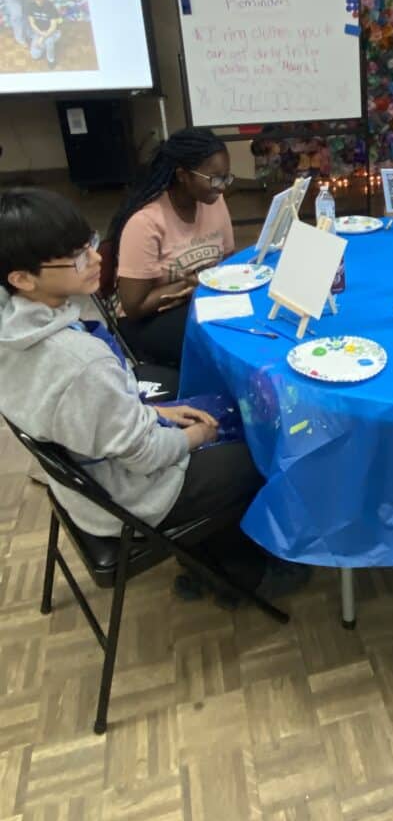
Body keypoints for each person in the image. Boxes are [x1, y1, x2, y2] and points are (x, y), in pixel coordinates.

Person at [0, 188, 307, 599]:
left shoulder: (13, 326)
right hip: (129, 496)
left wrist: (158, 413)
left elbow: (99, 415)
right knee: (262, 446)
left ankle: (214, 551)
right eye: (77, 257)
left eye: (89, 244)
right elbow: (145, 456)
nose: (96, 259)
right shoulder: (80, 364)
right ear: (21, 278)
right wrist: (198, 435)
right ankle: (238, 573)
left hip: (89, 477)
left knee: (206, 403)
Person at [108, 128, 236, 367]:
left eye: (226, 178)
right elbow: (134, 307)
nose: (222, 187)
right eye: (215, 179)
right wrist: (188, 285)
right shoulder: (145, 223)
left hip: (196, 301)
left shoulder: (214, 202)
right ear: (183, 175)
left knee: (243, 323)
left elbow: (228, 261)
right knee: (219, 344)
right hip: (149, 320)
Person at [27, 0, 62, 67]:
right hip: (38, 32)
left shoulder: (50, 6)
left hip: (52, 32)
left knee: (49, 41)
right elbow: (32, 23)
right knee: (35, 55)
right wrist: (40, 35)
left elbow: (53, 27)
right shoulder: (30, 6)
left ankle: (51, 60)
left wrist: (42, 38)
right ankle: (44, 46)